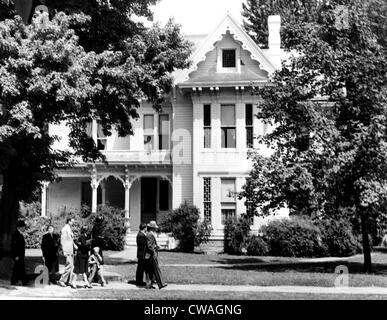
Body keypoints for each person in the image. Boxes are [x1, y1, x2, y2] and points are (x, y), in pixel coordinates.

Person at [145, 221, 167, 290]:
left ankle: (149, 285)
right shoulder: (150, 235)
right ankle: (160, 284)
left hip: (150, 254)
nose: (155, 229)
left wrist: (155, 246)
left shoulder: (149, 234)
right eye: (155, 228)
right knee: (156, 269)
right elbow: (149, 246)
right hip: (152, 255)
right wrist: (154, 250)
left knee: (150, 270)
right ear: (153, 228)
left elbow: (150, 245)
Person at [58, 217, 78, 289]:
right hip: (67, 250)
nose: (73, 223)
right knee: (69, 265)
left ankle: (68, 281)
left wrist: (74, 246)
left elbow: (70, 239)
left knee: (72, 266)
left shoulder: (69, 228)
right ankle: (62, 280)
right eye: (72, 222)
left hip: (70, 249)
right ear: (69, 221)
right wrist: (64, 250)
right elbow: (63, 240)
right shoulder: (65, 229)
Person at [10, 220, 28, 286]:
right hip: (17, 255)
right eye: (23, 227)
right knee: (17, 268)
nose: (24, 228)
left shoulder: (20, 234)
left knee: (19, 268)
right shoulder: (16, 234)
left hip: (20, 255)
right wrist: (15, 255)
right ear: (20, 227)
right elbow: (14, 246)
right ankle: (20, 281)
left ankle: (21, 281)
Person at [134, 223, 150, 287]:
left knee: (141, 268)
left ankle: (139, 280)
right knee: (140, 268)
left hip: (141, 254)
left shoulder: (141, 234)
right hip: (142, 254)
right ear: (145, 228)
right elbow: (143, 245)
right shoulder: (141, 235)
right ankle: (139, 281)